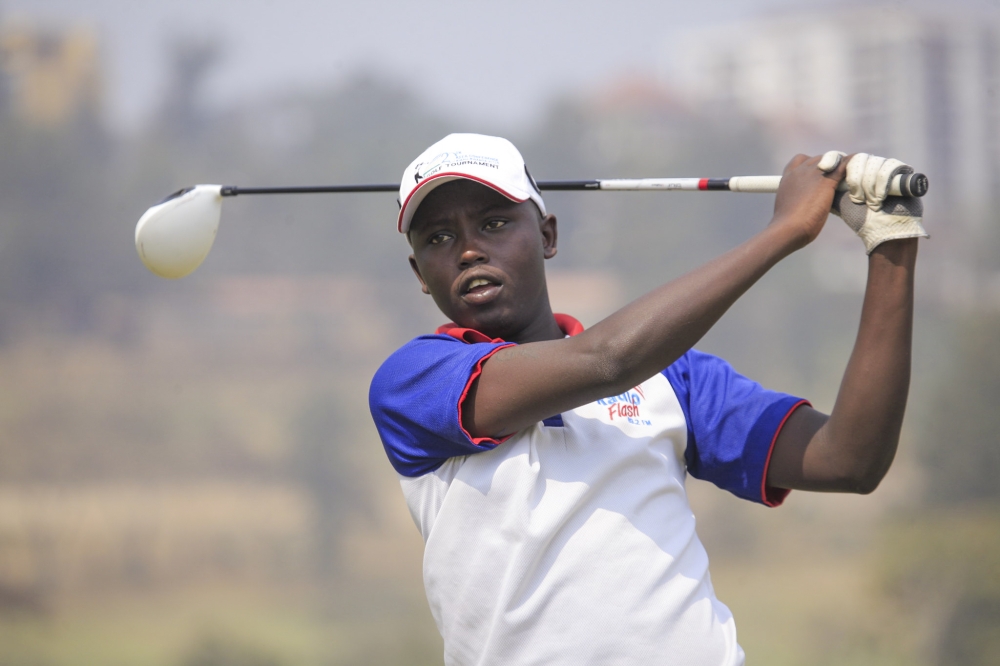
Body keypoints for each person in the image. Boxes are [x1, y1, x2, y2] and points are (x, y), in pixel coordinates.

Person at [368, 133, 927, 665]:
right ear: (419, 272)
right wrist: (783, 231)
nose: (468, 250)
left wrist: (890, 242)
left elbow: (849, 459)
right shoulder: (414, 382)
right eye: (438, 238)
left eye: (493, 223)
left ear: (547, 236)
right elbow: (605, 361)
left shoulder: (671, 374)